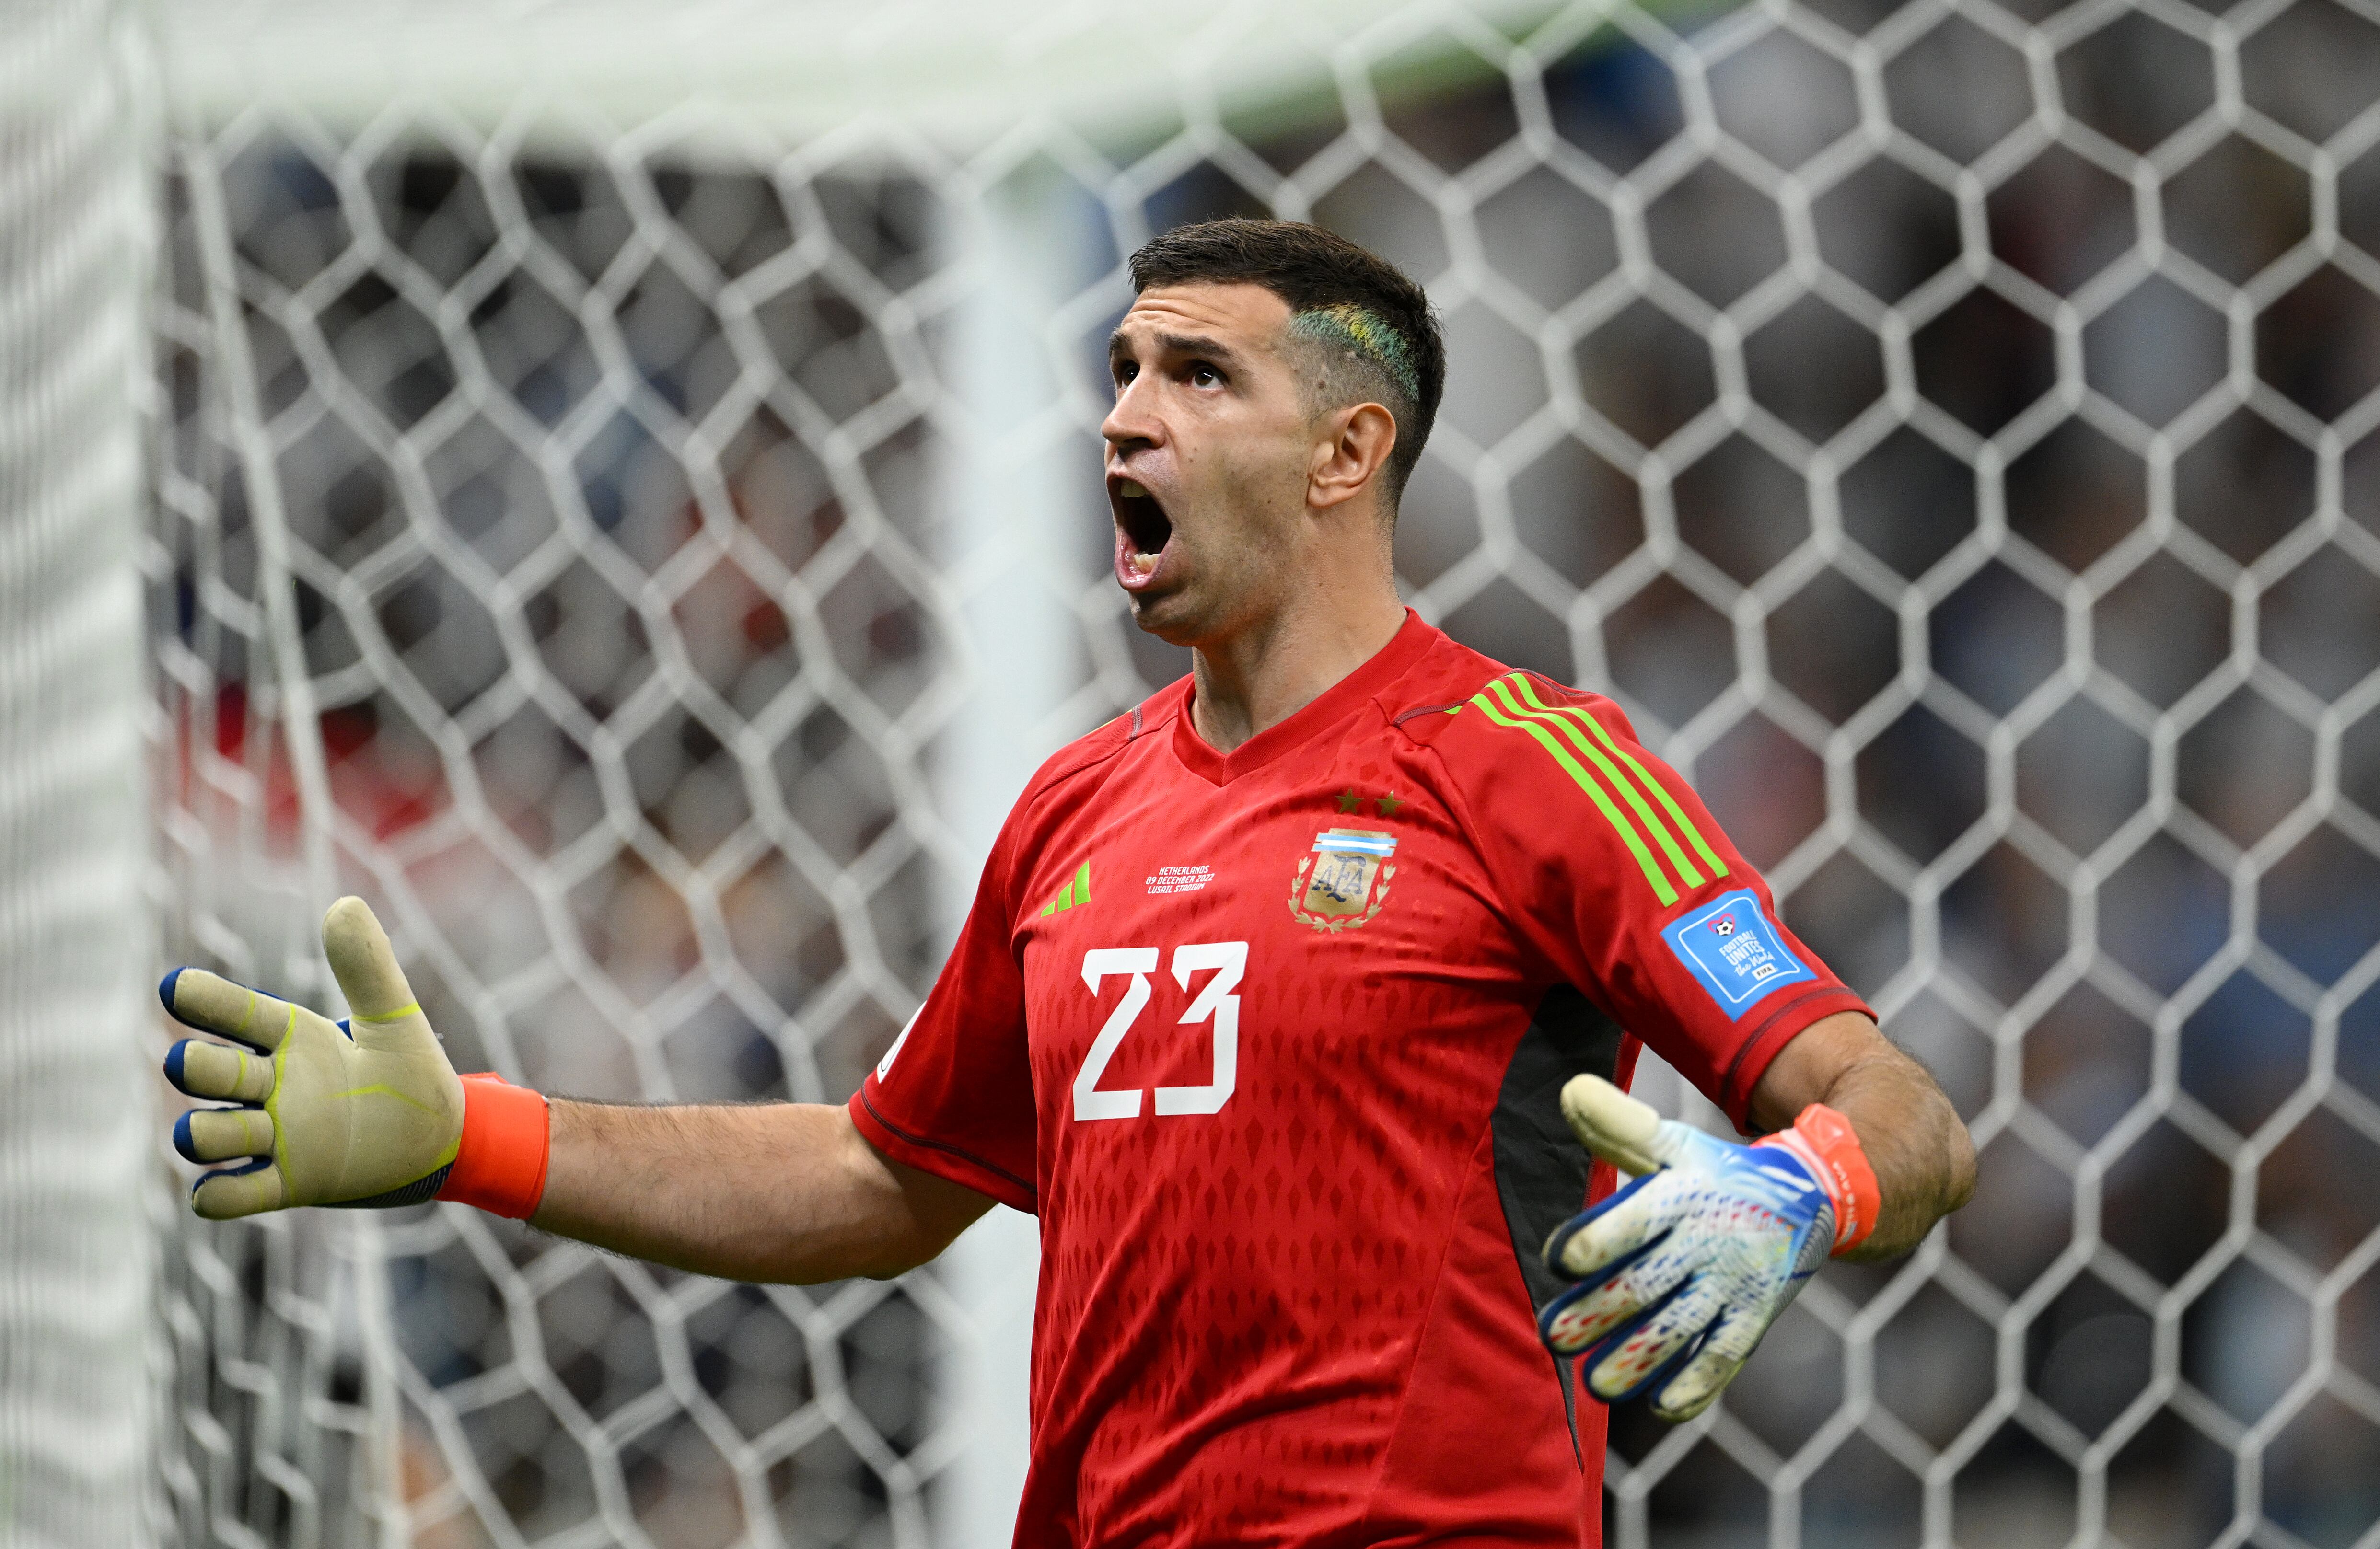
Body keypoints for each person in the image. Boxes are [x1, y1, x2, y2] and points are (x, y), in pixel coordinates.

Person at [161, 218, 1975, 1546]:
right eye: (1120, 370)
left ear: (1350, 452)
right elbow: (892, 1171)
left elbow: (1898, 1107)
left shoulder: (1530, 763)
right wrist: (473, 1136)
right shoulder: (1075, 810)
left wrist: (1793, 1190)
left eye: (1198, 375)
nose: (1126, 416)